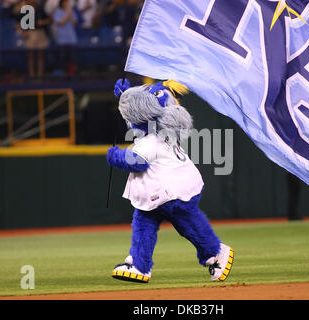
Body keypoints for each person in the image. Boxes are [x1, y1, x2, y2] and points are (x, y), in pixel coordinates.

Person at [107, 78, 234, 283]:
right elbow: (141, 112)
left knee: (184, 225)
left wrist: (115, 156)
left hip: (171, 194)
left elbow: (136, 162)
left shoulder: (151, 141)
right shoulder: (160, 135)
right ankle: (140, 265)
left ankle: (216, 252)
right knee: (146, 224)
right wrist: (125, 96)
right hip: (168, 191)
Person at [15, 0, 51, 77]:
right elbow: (17, 23)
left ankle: (40, 74)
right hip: (30, 32)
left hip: (40, 32)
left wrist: (43, 22)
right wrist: (22, 32)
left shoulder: (40, 9)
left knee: (40, 55)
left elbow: (49, 19)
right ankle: (31, 74)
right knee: (30, 55)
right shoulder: (25, 10)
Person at [53, 0, 77, 74]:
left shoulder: (71, 11)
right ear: (63, 3)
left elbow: (74, 23)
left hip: (71, 39)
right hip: (62, 40)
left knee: (73, 59)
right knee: (62, 60)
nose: (68, 4)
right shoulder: (57, 12)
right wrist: (67, 14)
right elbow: (61, 23)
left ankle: (72, 75)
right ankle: (63, 76)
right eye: (66, 2)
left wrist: (70, 15)